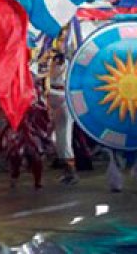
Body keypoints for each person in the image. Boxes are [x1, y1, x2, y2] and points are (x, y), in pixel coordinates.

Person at [44, 48, 78, 185]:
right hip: (53, 96)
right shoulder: (50, 59)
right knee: (56, 136)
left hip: (64, 97)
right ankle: (65, 169)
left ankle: (71, 172)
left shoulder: (68, 61)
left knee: (64, 136)